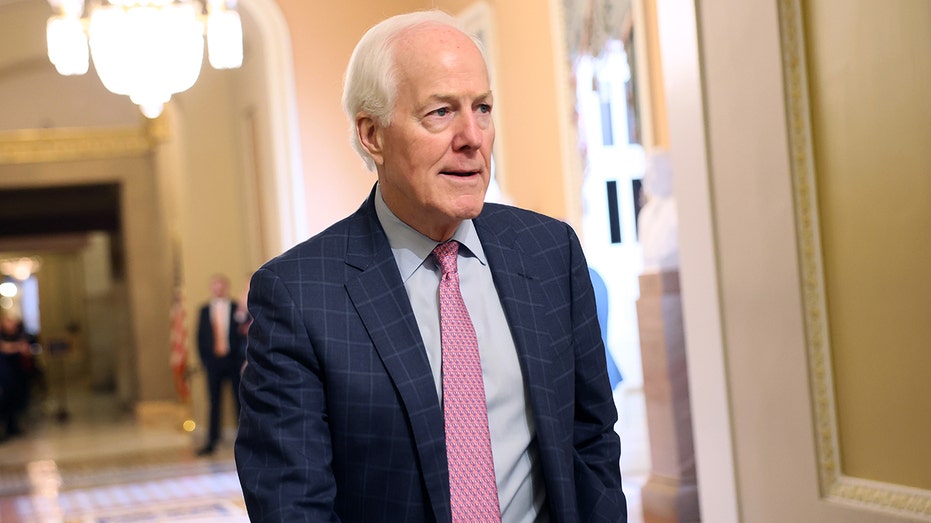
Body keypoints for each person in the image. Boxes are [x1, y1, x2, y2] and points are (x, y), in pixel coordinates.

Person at [236, 9, 626, 522]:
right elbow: (293, 506)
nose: (472, 136)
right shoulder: (299, 297)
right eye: (440, 112)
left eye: (482, 108)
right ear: (372, 135)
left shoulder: (551, 252)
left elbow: (591, 441)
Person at [195, 274, 247, 456]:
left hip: (233, 361)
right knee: (213, 402)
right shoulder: (204, 310)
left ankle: (245, 438)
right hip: (213, 363)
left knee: (239, 400)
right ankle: (212, 440)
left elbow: (242, 334)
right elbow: (200, 337)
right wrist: (205, 361)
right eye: (215, 285)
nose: (218, 289)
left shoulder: (235, 307)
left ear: (226, 287)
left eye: (221, 285)